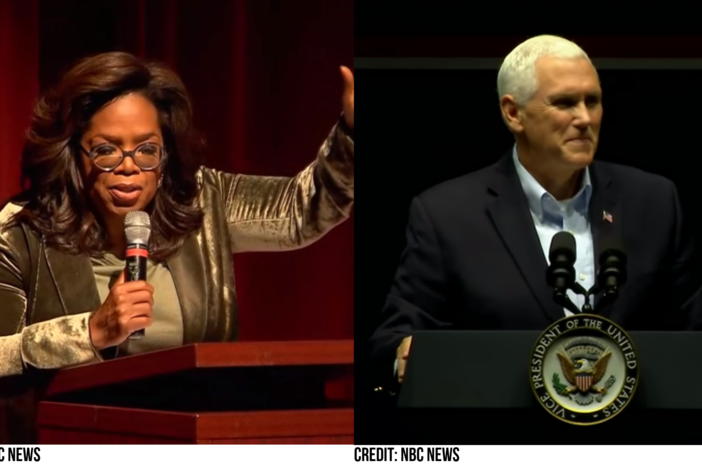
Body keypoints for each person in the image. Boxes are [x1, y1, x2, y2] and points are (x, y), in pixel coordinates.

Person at [0, 51, 353, 440]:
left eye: (146, 150)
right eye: (106, 150)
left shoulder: (201, 200)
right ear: (74, 153)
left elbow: (302, 211)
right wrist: (89, 332)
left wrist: (351, 133)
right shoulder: (21, 229)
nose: (129, 166)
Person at [368, 34, 702, 388]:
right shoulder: (447, 216)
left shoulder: (654, 201)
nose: (585, 118)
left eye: (593, 101)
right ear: (513, 113)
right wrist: (402, 354)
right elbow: (395, 337)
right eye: (565, 103)